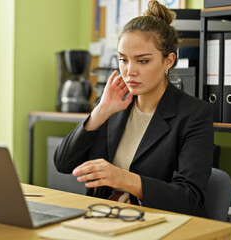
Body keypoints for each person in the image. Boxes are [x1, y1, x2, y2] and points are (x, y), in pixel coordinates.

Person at [54, 0, 213, 217]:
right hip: (103, 218)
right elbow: (63, 163)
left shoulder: (194, 114)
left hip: (155, 222)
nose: (129, 71)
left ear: (168, 61)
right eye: (123, 60)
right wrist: (101, 111)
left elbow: (190, 199)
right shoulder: (114, 106)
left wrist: (124, 179)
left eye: (143, 61)